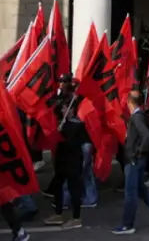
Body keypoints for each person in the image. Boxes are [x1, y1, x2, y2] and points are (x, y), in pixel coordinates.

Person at [112, 89, 149, 235]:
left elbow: (146, 136)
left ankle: (128, 224)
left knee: (131, 193)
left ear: (129, 102)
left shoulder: (137, 117)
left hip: (134, 160)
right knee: (141, 190)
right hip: (138, 159)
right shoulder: (142, 115)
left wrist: (137, 152)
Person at [45, 96, 85, 229]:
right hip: (62, 161)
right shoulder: (64, 123)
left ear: (72, 109)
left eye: (65, 108)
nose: (63, 111)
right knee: (57, 186)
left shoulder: (77, 125)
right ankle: (58, 213)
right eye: (62, 108)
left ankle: (76, 218)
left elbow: (71, 143)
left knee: (74, 189)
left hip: (72, 162)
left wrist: (61, 133)